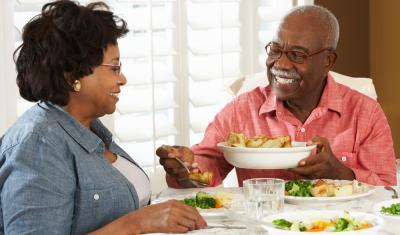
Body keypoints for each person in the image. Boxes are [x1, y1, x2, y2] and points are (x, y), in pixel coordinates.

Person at [0, 1, 206, 234]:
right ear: (72, 75)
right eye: (114, 68)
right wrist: (137, 223)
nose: (122, 79)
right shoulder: (38, 146)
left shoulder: (88, 128)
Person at [157, 5, 396, 188]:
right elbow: (206, 165)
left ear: (327, 61)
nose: (279, 64)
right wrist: (185, 167)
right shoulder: (243, 110)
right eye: (275, 50)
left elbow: (388, 191)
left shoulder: (365, 113)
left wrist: (339, 173)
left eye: (297, 54)